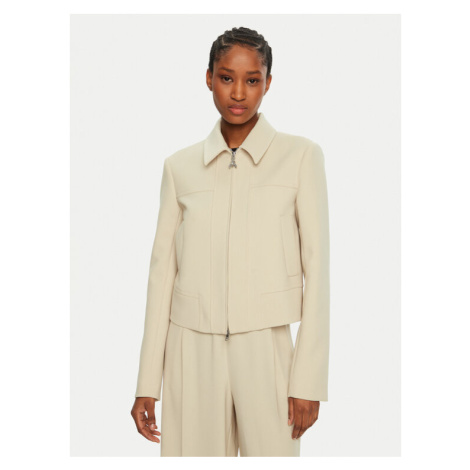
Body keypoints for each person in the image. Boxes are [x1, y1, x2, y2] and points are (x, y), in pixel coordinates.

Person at [130, 26, 330, 457]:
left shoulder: (300, 157)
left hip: (267, 347)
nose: (238, 93)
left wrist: (308, 380)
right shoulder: (180, 168)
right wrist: (147, 382)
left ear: (268, 83)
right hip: (191, 350)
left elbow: (318, 271)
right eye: (226, 78)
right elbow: (161, 277)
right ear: (209, 78)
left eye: (252, 80)